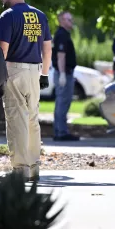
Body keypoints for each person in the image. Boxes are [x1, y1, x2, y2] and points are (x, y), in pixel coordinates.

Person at [0, 0, 52, 181]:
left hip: (14, 69)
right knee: (32, 120)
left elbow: (2, 49)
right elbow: (47, 48)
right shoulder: (40, 15)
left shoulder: (8, 16)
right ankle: (34, 167)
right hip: (35, 71)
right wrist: (44, 74)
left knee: (16, 120)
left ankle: (20, 170)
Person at [52, 11, 79, 141]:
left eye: (71, 19)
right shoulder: (62, 35)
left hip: (65, 72)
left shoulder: (63, 34)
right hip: (64, 73)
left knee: (62, 102)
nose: (71, 22)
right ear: (61, 21)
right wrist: (62, 74)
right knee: (63, 102)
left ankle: (59, 131)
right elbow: (60, 56)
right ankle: (61, 132)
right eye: (68, 19)